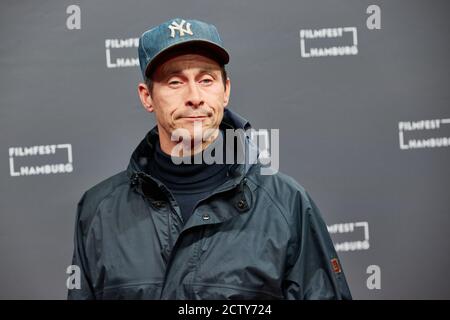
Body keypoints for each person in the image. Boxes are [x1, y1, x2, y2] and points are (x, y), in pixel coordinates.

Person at [67, 18, 352, 300]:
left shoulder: (287, 204)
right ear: (147, 96)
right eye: (175, 81)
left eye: (206, 80)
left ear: (225, 90)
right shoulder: (98, 211)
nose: (194, 96)